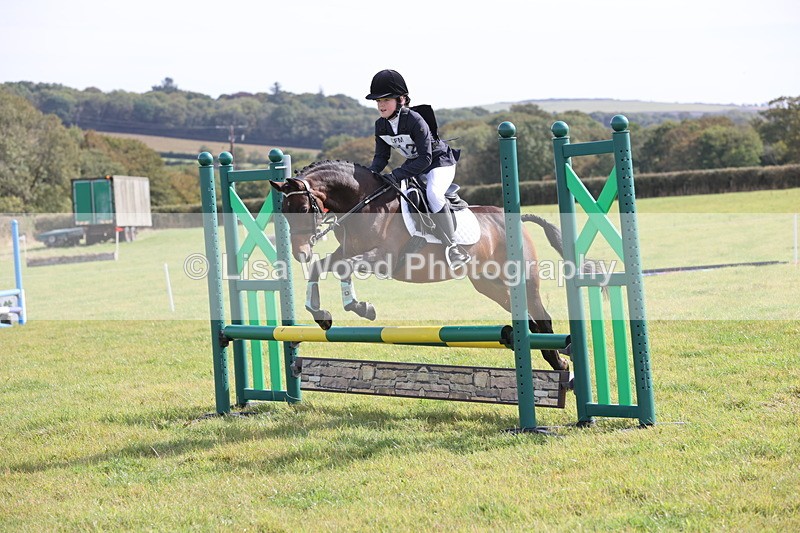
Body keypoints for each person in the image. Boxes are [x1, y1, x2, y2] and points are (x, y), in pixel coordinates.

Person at [365, 69, 471, 269]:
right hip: (415, 165)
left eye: (386, 100)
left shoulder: (414, 120)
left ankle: (453, 247)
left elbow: (426, 157)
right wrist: (369, 176)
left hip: (439, 162)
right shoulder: (381, 125)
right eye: (378, 101)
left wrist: (396, 174)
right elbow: (381, 157)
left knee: (433, 193)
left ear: (402, 99)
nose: (381, 105)